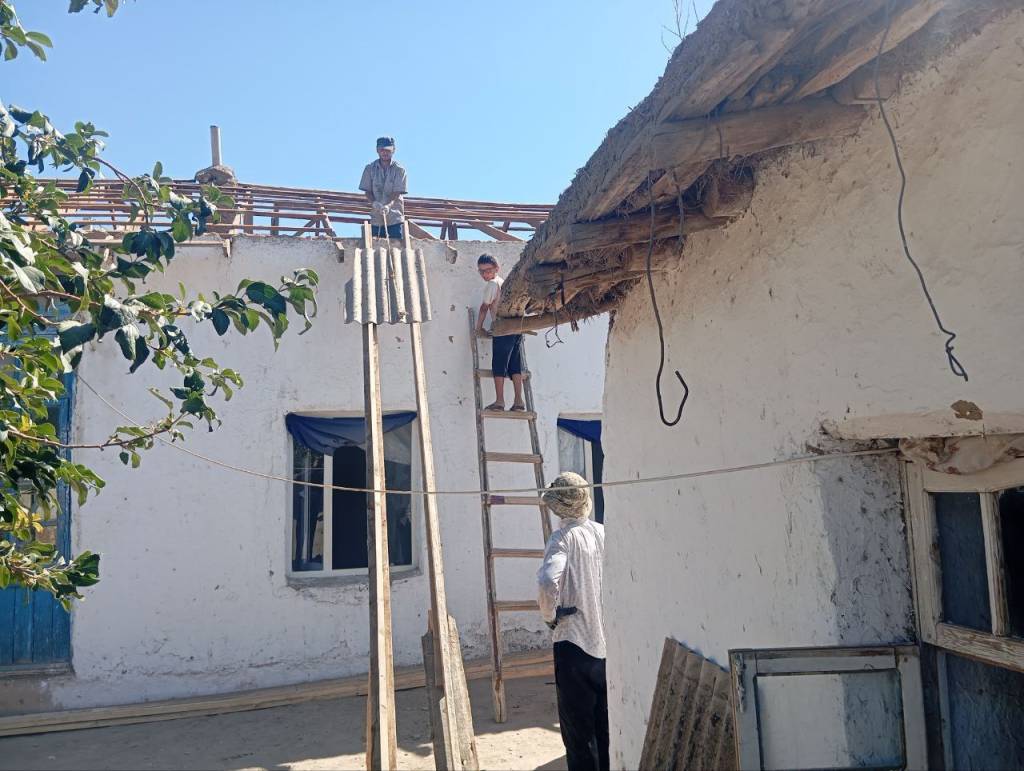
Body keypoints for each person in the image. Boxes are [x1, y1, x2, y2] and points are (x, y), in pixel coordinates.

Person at [537, 472, 608, 771]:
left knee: (579, 736)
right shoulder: (602, 533)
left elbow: (547, 582)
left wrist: (550, 616)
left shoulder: (562, 539)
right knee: (605, 729)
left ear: (558, 507)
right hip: (604, 646)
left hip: (573, 645)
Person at [474, 254, 525, 412]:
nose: (485, 274)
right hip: (515, 327)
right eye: (481, 271)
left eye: (488, 270)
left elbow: (484, 307)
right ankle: (518, 401)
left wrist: (479, 327)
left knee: (499, 364)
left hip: (502, 328)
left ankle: (500, 401)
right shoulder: (503, 283)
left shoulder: (492, 284)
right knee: (515, 365)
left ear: (497, 268)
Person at [359, 136, 408, 240]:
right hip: (376, 219)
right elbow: (367, 191)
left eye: (388, 150)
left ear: (393, 150)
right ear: (377, 150)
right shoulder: (369, 169)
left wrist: (388, 205)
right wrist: (374, 203)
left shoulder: (399, 170)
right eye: (382, 150)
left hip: (394, 218)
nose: (384, 152)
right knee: (374, 247)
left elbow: (397, 192)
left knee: (396, 246)